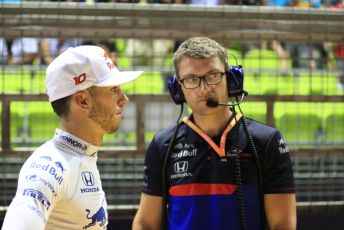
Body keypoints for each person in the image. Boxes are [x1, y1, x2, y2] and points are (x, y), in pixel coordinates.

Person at [132, 37, 296, 230]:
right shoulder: (162, 145)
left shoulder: (267, 141)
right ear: (178, 89)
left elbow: (283, 224)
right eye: (192, 79)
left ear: (232, 80)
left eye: (213, 75)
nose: (205, 88)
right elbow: (146, 223)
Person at [2, 45, 143, 229]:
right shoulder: (49, 167)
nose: (124, 99)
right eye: (113, 89)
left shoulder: (80, 156)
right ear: (83, 101)